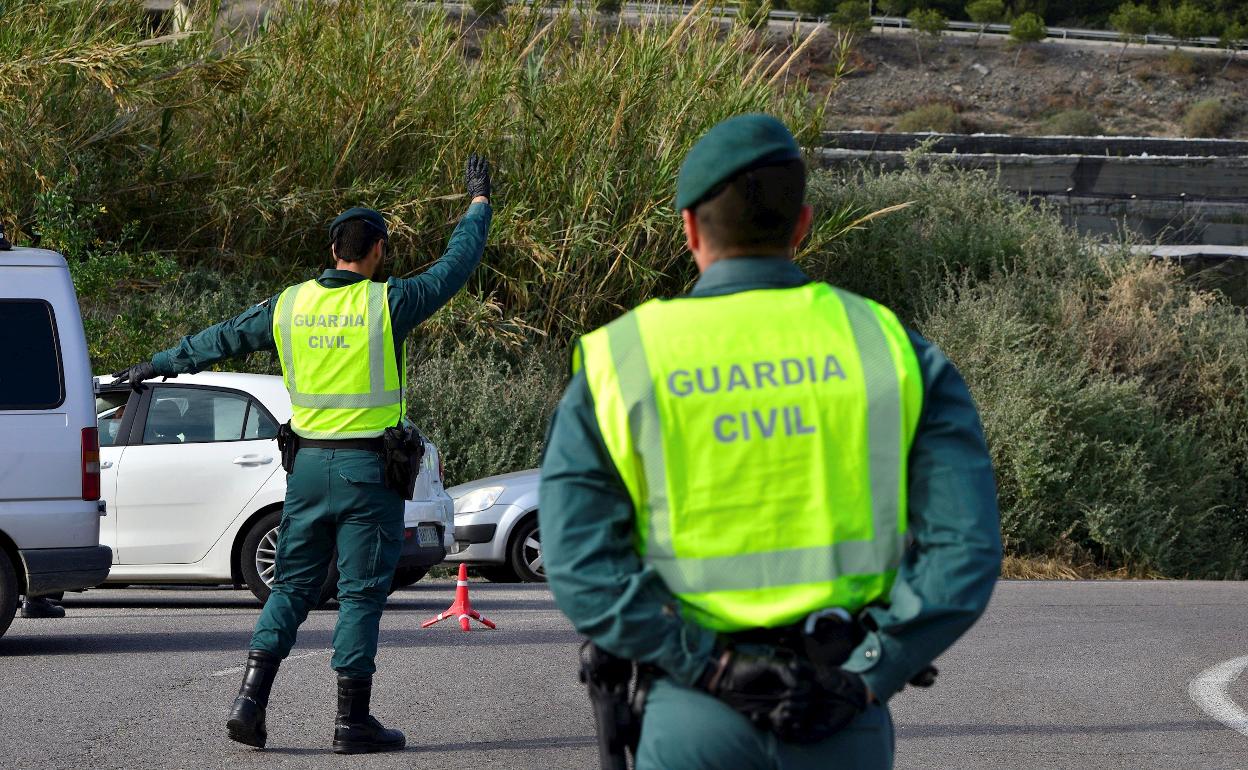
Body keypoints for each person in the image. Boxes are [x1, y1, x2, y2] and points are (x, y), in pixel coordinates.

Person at [538, 115, 1002, 769]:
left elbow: (580, 562)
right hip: (838, 713)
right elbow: (966, 550)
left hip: (692, 716)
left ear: (691, 228)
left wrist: (709, 666)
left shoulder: (623, 359)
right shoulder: (891, 349)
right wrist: (872, 670)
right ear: (803, 224)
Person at [112, 155, 493, 754]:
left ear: (332, 249)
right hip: (370, 472)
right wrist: (477, 204)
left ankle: (249, 703)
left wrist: (154, 365)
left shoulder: (290, 305)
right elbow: (456, 265)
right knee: (363, 592)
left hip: (309, 470)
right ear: (378, 251)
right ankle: (351, 722)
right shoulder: (388, 303)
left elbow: (222, 337)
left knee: (291, 586)